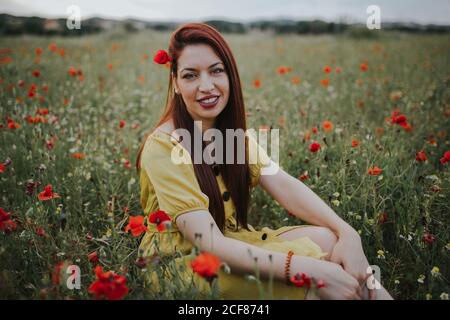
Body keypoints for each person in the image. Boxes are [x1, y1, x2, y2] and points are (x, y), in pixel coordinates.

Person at [135, 22, 393, 300]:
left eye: (216, 71)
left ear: (230, 75)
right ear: (175, 82)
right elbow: (208, 243)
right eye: (190, 76)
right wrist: (311, 271)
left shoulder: (232, 136)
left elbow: (284, 185)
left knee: (333, 240)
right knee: (312, 284)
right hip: (184, 265)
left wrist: (349, 232)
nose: (206, 86)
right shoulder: (163, 146)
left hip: (233, 242)